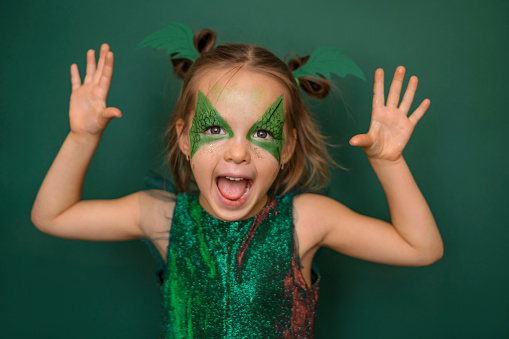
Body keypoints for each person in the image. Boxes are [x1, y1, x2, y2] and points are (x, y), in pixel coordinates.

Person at [31, 28, 443, 338]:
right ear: (183, 139)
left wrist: (388, 163)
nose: (238, 153)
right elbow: (53, 216)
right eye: (214, 129)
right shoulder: (160, 215)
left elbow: (420, 248)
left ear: (286, 149)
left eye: (262, 134)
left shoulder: (307, 220)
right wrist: (81, 138)